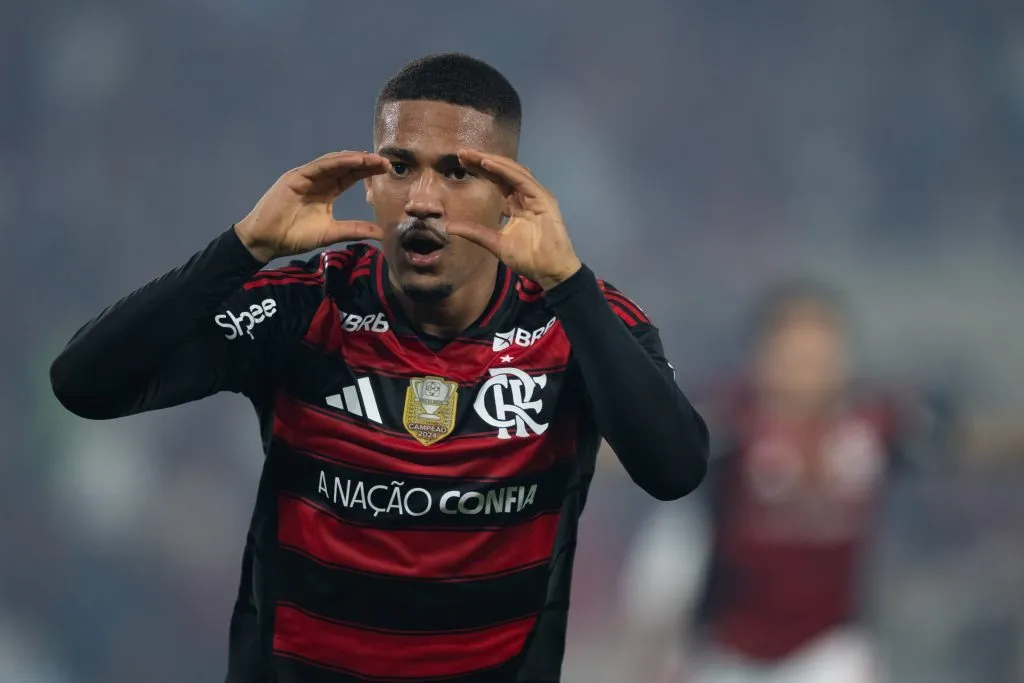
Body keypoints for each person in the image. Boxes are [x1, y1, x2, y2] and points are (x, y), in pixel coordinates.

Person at [49, 53, 709, 683]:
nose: (423, 198)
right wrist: (243, 246)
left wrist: (568, 283)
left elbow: (675, 469)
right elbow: (84, 382)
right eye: (399, 166)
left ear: (509, 193)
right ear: (369, 183)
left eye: (456, 172)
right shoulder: (307, 304)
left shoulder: (580, 321)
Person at [618, 280, 949, 683]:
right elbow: (672, 533)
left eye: (820, 355)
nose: (809, 371)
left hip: (829, 648)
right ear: (764, 358)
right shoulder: (728, 426)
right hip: (728, 651)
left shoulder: (874, 424)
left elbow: (949, 428)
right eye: (795, 356)